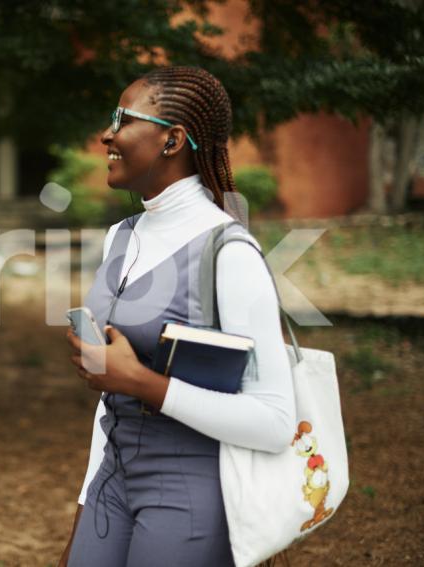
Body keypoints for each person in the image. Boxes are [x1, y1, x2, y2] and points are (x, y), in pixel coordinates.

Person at [58, 66, 296, 566]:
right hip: (112, 481)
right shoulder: (120, 237)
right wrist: (84, 510)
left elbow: (275, 421)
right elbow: (110, 402)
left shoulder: (229, 252)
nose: (107, 134)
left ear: (172, 140)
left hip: (188, 493)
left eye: (122, 119)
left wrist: (141, 382)